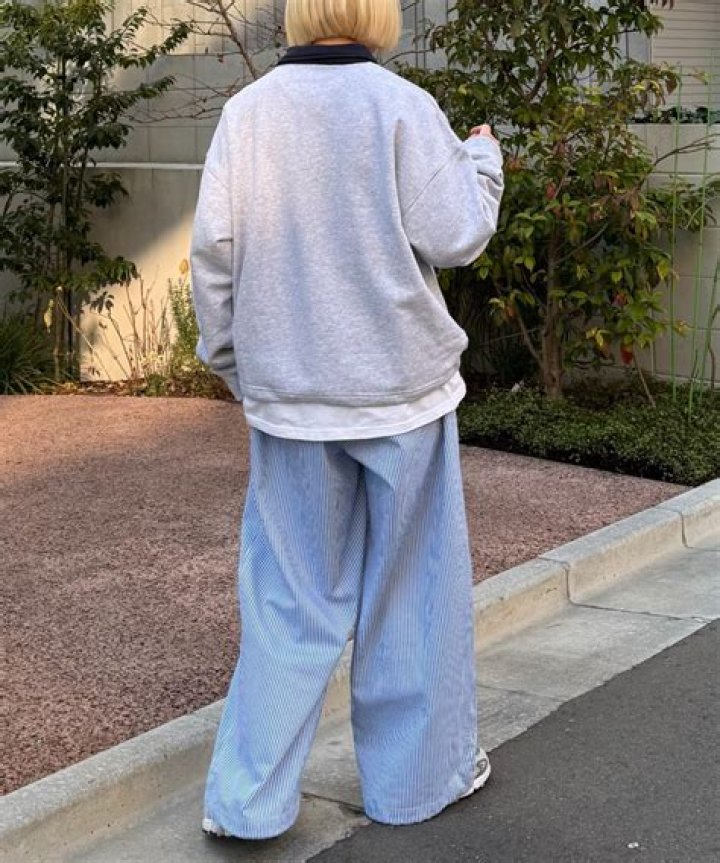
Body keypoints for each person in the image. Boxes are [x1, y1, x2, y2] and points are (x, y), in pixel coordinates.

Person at [190, 0, 504, 841]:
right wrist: (482, 159)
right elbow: (457, 233)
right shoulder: (402, 106)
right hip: (401, 391)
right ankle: (416, 782)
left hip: (292, 399)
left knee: (288, 601)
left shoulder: (247, 115)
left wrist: (236, 364)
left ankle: (247, 802)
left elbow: (214, 256)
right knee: (413, 590)